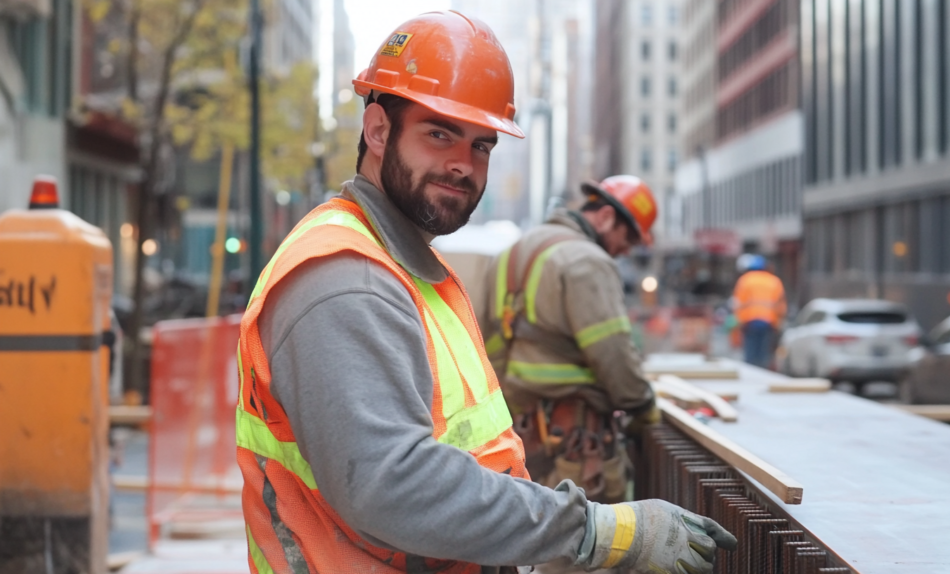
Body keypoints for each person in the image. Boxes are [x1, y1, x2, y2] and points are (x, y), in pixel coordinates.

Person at [236, 11, 735, 574]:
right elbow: (391, 486)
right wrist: (599, 529)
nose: (462, 164)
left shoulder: (413, 267)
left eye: (482, 146)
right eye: (439, 133)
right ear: (377, 130)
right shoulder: (346, 279)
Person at [480, 176, 660, 504]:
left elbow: (487, 343)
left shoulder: (508, 255)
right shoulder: (588, 261)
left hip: (516, 439)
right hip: (576, 445)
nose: (626, 249)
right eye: (628, 237)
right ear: (606, 217)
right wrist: (644, 407)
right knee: (583, 547)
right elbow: (613, 354)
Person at [731, 254, 787, 369]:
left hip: (749, 321)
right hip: (768, 322)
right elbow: (781, 306)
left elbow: (737, 304)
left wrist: (738, 322)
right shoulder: (774, 281)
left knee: (750, 354)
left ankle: (750, 375)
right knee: (764, 354)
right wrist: (779, 323)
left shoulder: (745, 280)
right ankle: (762, 373)